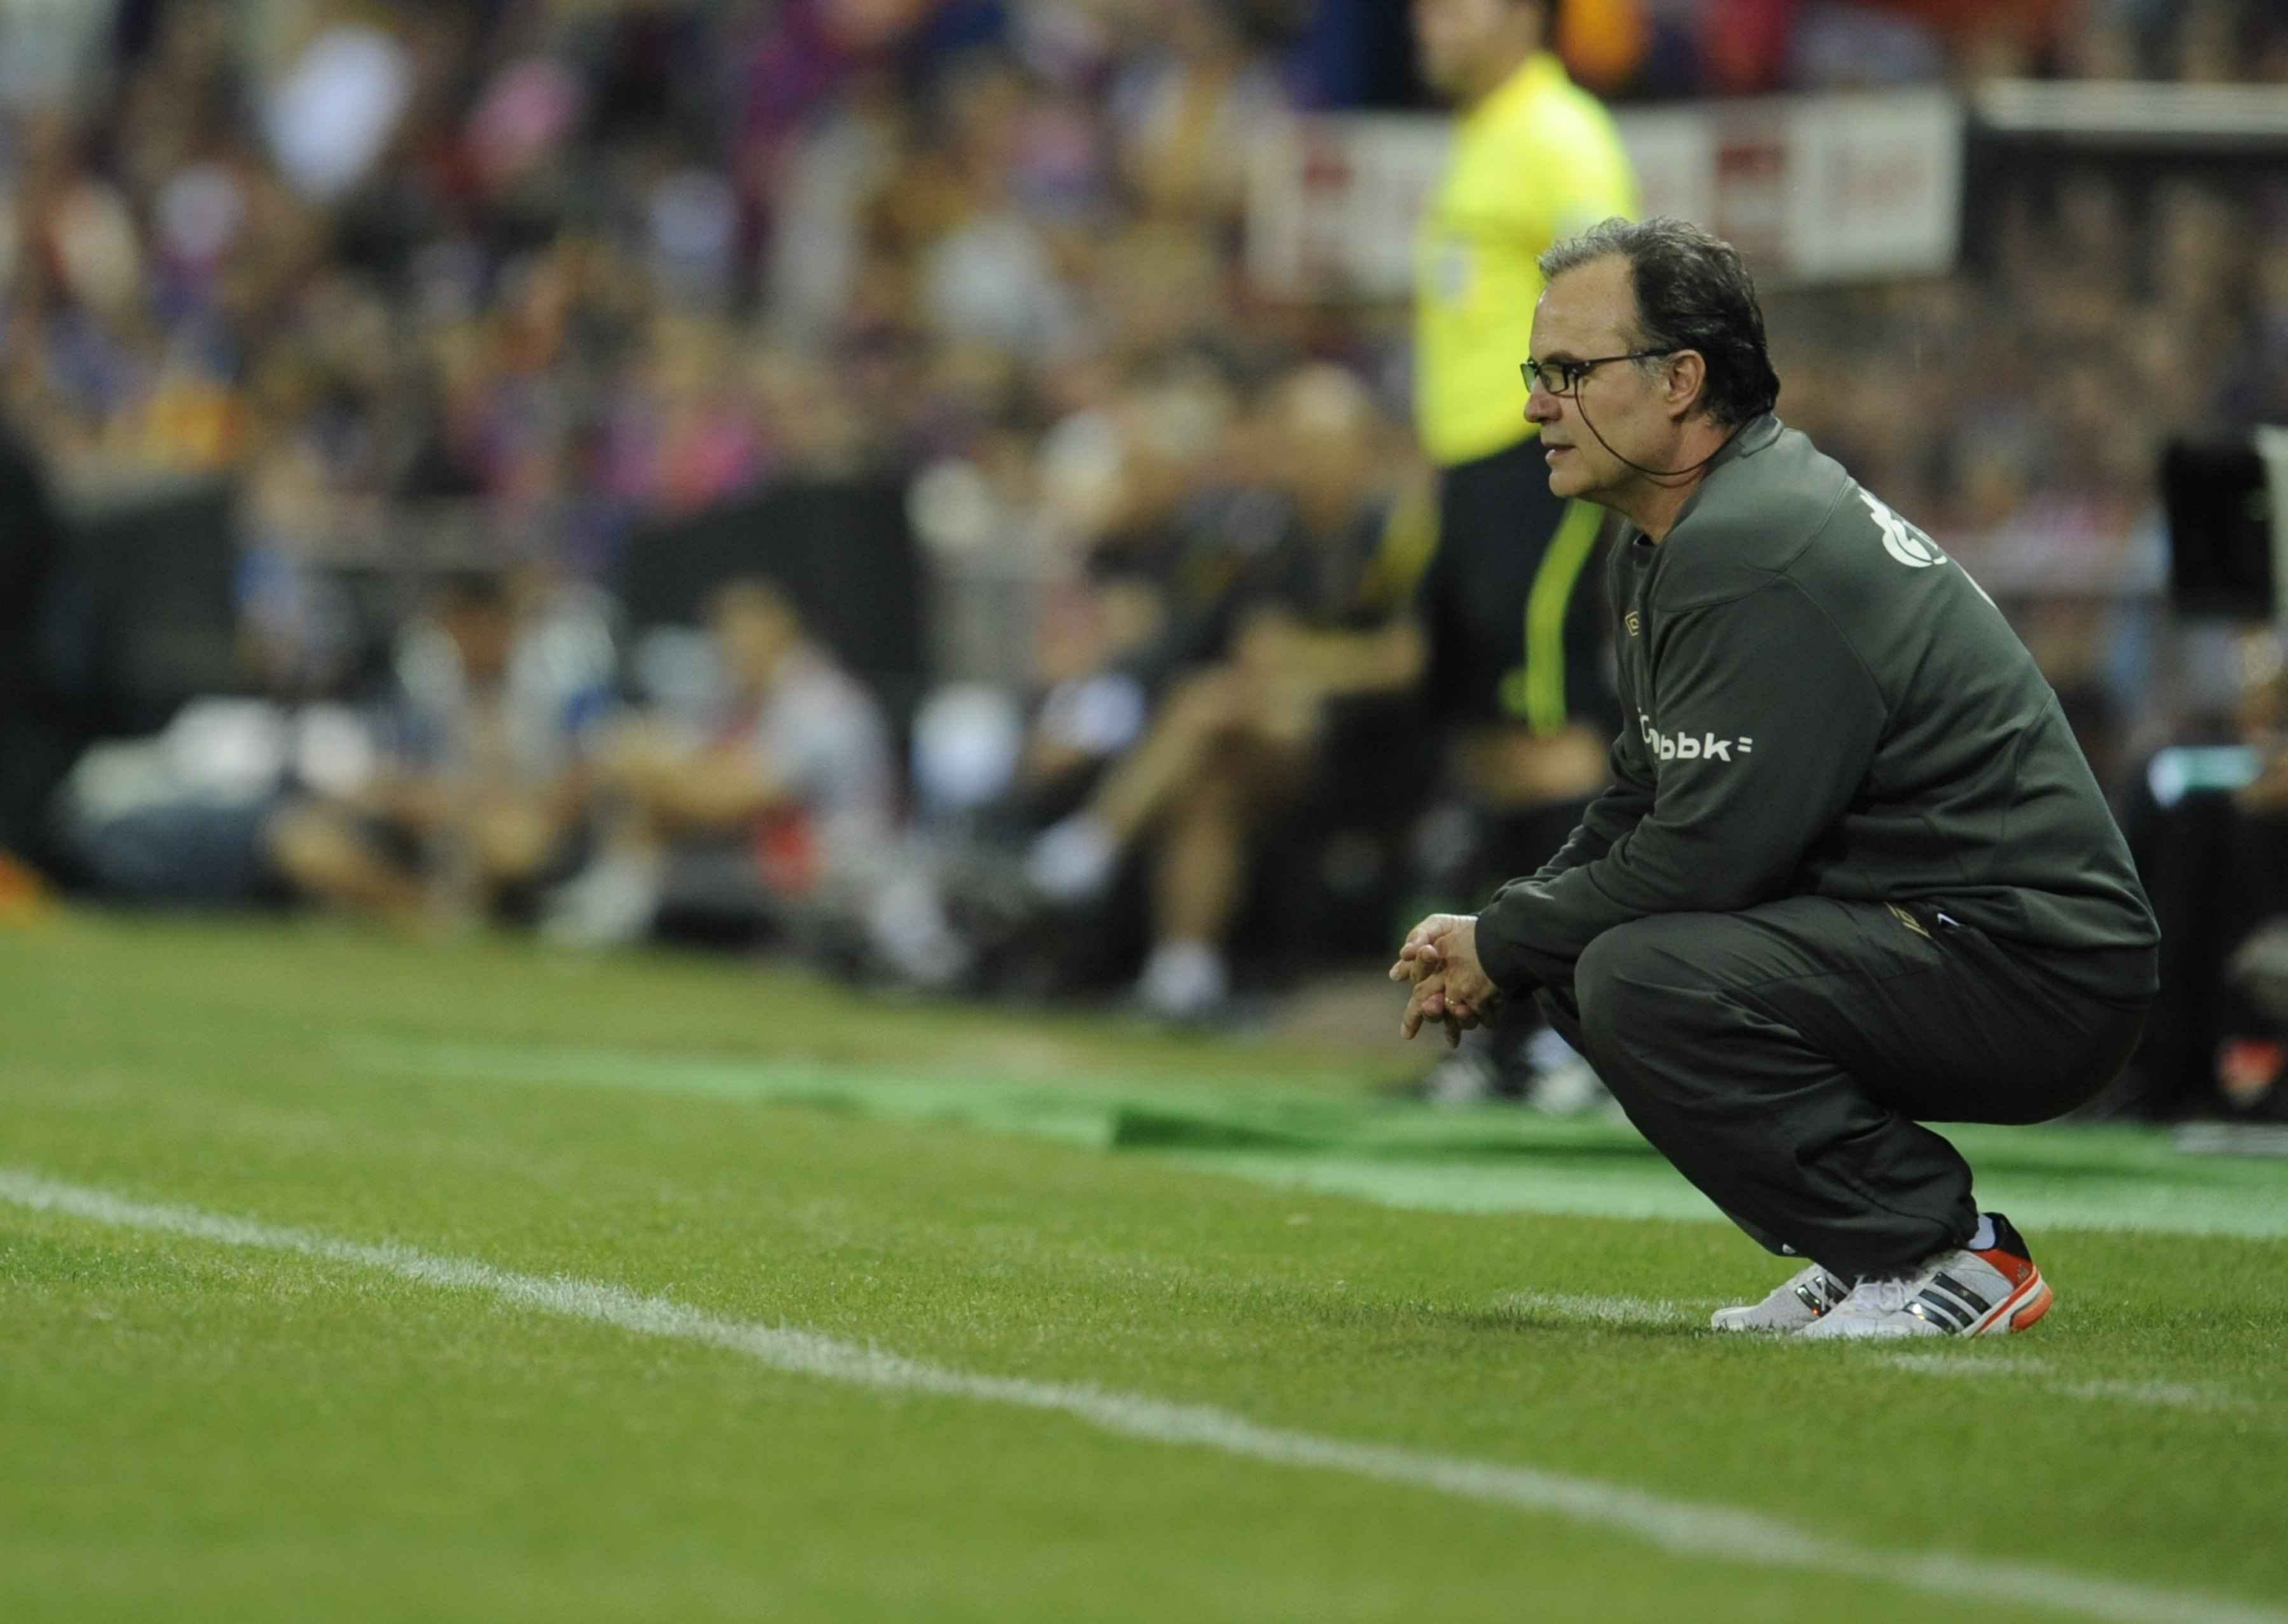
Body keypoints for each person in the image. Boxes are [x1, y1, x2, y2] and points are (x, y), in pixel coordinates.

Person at [1391, 217, 2159, 1339]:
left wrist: (1503, 940)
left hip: (2034, 963)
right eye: (1536, 374)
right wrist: (1508, 930)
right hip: (1942, 931)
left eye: (1570, 372)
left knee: (1636, 972)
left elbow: (1707, 859)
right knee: (1580, 951)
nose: (1536, 408)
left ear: (1681, 381)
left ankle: (1944, 1254)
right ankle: (1864, 1245)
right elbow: (1642, 795)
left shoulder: (1751, 543)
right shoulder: (1680, 531)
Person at [1026, 363, 1431, 1018]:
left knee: (1211, 704)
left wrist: (1307, 661)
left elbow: (1409, 659)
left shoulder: (1397, 531)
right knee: (1210, 787)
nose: (1301, 465)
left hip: (1370, 745)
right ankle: (1183, 971)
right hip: (1270, 734)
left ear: (1361, 449)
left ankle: (1090, 846)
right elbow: (1226, 637)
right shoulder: (1273, 533)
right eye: (1292, 447)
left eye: (1317, 448)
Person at [1408, 0, 1638, 1101]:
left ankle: (1578, 1032)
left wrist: (1584, 439)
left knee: (1554, 733)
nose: (1428, 22)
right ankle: (1502, 1032)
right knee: (1497, 740)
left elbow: (1617, 295)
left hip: (1533, 458)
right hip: (1469, 467)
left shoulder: (1561, 131)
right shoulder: (1484, 133)